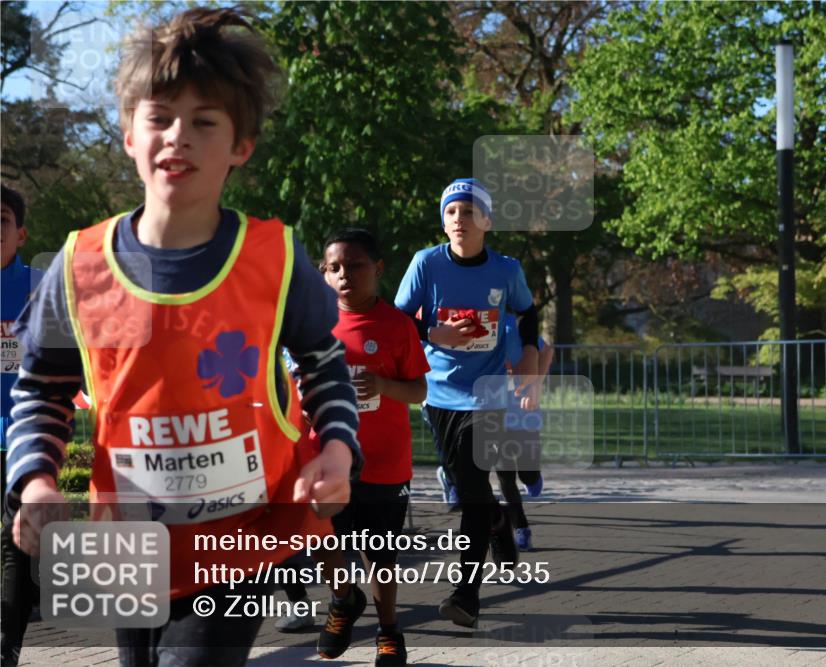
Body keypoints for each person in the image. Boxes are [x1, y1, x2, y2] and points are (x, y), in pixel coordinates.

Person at [4, 9, 361, 665]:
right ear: (128, 134)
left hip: (242, 538)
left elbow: (324, 361)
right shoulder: (80, 265)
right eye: (161, 117)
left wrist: (337, 449)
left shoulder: (275, 257)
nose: (179, 137)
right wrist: (36, 481)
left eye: (205, 122)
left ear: (241, 145)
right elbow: (43, 386)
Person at [394, 177, 541, 628]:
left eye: (470, 211)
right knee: (469, 489)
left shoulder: (505, 270)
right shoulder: (426, 264)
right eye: (452, 212)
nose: (460, 219)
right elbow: (397, 317)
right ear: (444, 221)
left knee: (473, 491)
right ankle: (498, 520)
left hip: (490, 392)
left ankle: (466, 595)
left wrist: (531, 357)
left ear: (487, 221)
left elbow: (528, 311)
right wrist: (431, 333)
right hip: (439, 395)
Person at [286, 229, 428, 665]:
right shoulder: (311, 322)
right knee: (325, 542)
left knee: (380, 553)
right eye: (334, 268)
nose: (344, 275)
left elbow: (419, 390)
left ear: (378, 269)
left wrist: (384, 385)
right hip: (325, 457)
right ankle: (344, 601)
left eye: (355, 265)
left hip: (385, 461)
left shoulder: (398, 325)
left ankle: (389, 632)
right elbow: (290, 383)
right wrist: (303, 408)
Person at [1, 184, 44, 667]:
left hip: (24, 434)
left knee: (14, 541)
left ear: (21, 233)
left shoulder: (40, 287)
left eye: (2, 219)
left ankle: (7, 647)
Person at [496, 313, 554, 552]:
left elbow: (547, 351)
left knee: (527, 475)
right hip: (494, 417)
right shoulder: (477, 330)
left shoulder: (515, 327)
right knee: (505, 476)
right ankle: (521, 528)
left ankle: (533, 477)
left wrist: (537, 385)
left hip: (524, 415)